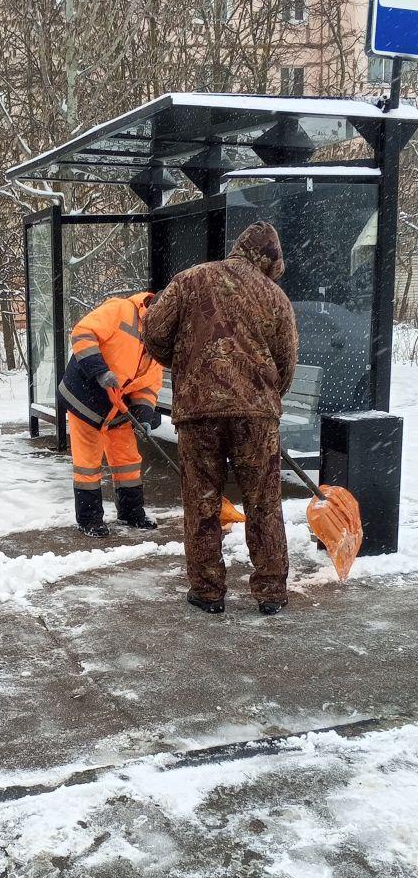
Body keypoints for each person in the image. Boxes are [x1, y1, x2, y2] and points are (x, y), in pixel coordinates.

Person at [142, 221, 298, 616]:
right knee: (264, 502)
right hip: (256, 417)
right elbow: (286, 362)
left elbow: (154, 331)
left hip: (198, 413)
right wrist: (261, 397)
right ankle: (271, 592)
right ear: (271, 261)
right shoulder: (275, 296)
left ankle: (208, 591)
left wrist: (186, 364)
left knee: (201, 502)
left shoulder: (190, 279)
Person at [58, 291, 163, 537]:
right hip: (85, 398)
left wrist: (144, 415)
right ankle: (89, 519)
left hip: (118, 407)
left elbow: (148, 385)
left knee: (128, 460)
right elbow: (82, 333)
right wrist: (100, 371)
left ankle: (131, 513)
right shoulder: (120, 310)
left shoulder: (159, 341)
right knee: (88, 463)